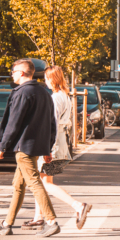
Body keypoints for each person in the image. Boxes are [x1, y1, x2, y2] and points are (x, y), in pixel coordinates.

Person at [0, 58, 62, 238]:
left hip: (23, 147)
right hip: (36, 146)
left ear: (22, 73)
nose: (12, 75)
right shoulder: (44, 92)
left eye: (13, 72)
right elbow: (51, 123)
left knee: (33, 182)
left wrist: (2, 146)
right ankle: (7, 223)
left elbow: (13, 123)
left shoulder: (22, 93)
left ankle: (51, 221)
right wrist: (47, 147)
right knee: (18, 184)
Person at [30, 66, 93, 230]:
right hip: (59, 142)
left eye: (46, 78)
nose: (45, 81)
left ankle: (78, 205)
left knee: (44, 183)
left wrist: (46, 147)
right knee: (44, 180)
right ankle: (38, 216)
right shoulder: (64, 96)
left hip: (53, 143)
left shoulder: (56, 98)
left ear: (53, 79)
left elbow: (53, 123)